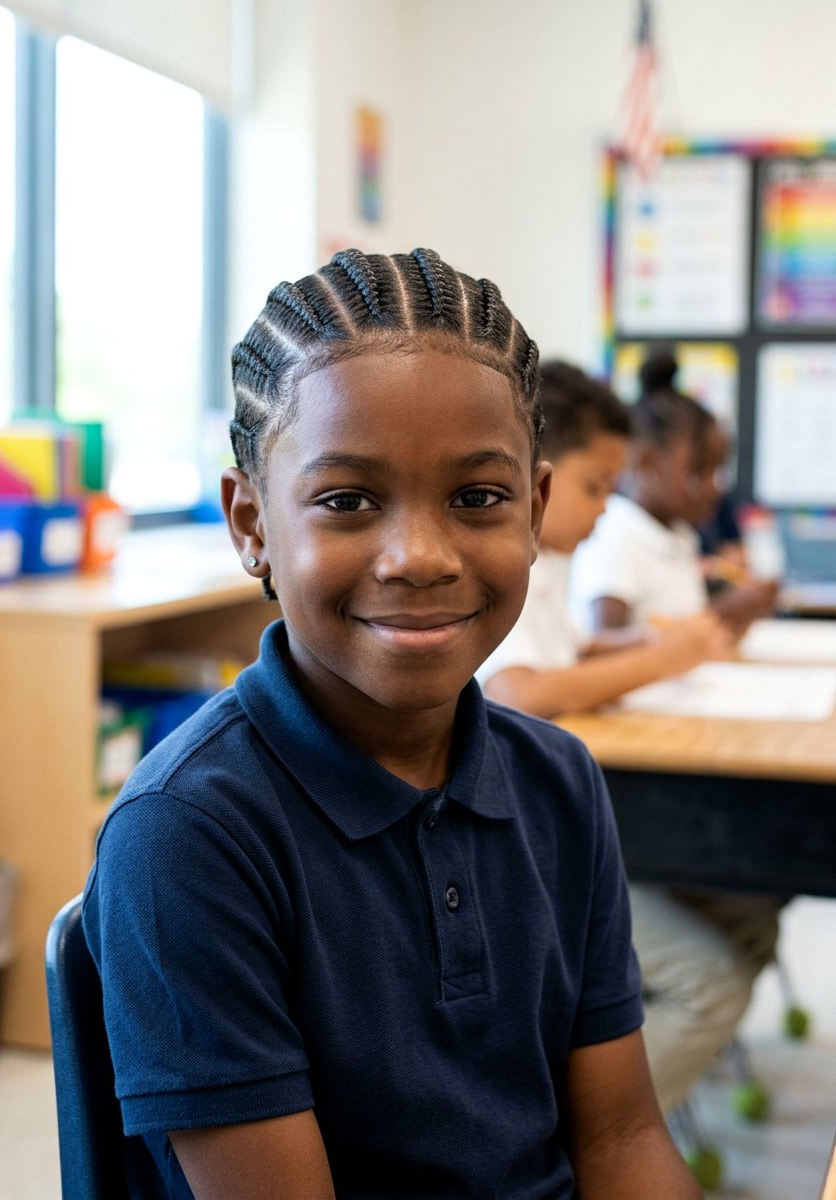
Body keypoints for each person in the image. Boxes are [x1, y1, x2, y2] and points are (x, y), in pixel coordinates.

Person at [83, 249, 702, 1199]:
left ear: (535, 512)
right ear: (251, 524)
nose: (418, 556)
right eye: (347, 501)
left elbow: (620, 1140)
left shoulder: (559, 782)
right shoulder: (187, 836)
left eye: (476, 498)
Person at [477, 360, 773, 1117]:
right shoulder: (515, 565)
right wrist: (660, 656)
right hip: (526, 852)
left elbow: (567, 652)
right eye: (594, 488)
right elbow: (520, 690)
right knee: (711, 979)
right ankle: (586, 1148)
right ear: (532, 477)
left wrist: (651, 643)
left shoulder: (548, 568)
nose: (606, 511)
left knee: (756, 905)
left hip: (565, 830)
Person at [570, 349, 778, 639]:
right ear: (646, 462)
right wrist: (724, 612)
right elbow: (603, 641)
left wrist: (741, 612)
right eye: (698, 472)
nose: (714, 486)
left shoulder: (681, 534)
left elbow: (689, 632)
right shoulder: (615, 533)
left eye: (718, 472)